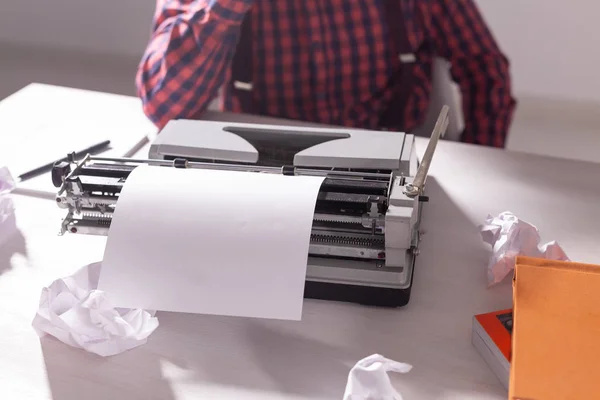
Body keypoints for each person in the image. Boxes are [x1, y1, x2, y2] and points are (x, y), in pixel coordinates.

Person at [136, 0, 516, 148]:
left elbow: (484, 68)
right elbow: (163, 105)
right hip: (265, 166)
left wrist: (479, 163)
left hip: (389, 158)